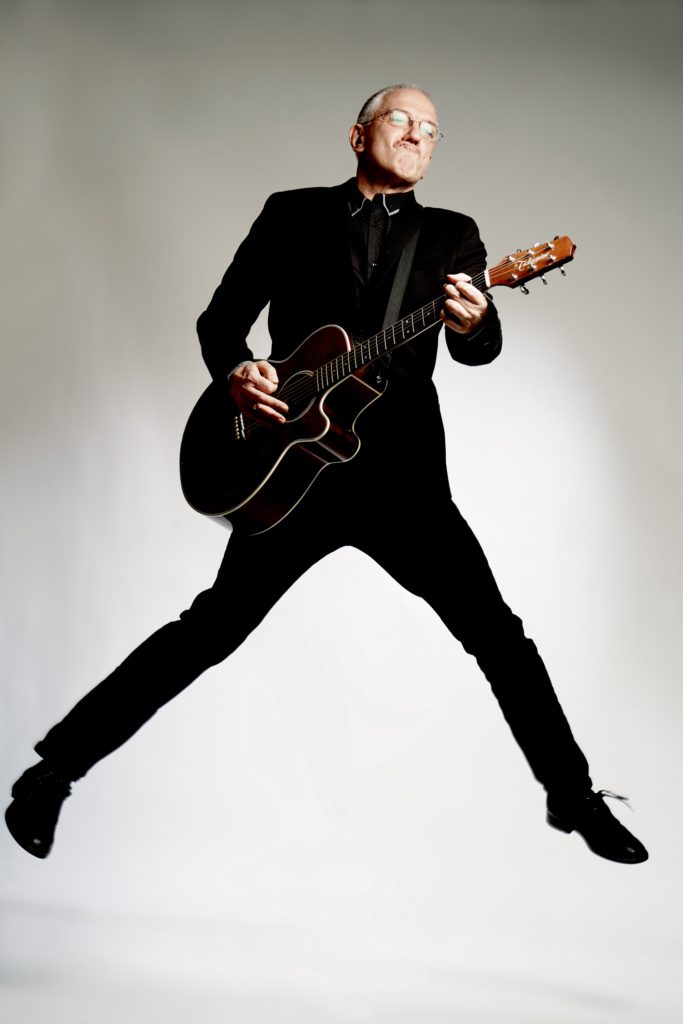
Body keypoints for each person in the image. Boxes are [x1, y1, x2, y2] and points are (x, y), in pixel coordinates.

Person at [5, 85, 647, 864]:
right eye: (401, 119)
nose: (417, 135)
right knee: (207, 633)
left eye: (431, 130)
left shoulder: (452, 235)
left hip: (404, 486)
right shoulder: (291, 214)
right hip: (292, 468)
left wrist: (478, 322)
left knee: (498, 636)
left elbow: (475, 350)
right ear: (357, 134)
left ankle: (572, 797)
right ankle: (50, 776)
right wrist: (238, 372)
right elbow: (220, 322)